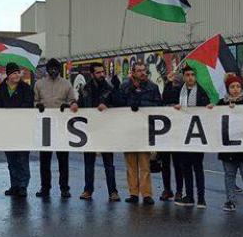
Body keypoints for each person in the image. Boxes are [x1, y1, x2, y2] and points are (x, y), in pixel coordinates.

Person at [116, 61, 161, 205]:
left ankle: (146, 194)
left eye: (144, 70)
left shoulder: (152, 87)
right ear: (133, 72)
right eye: (139, 70)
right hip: (129, 130)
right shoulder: (125, 87)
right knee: (131, 165)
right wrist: (131, 91)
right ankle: (133, 193)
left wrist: (141, 106)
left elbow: (158, 105)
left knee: (145, 165)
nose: (142, 73)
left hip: (144, 130)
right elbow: (119, 103)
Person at [34, 58, 79, 199]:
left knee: (63, 159)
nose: (53, 71)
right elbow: (34, 100)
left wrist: (68, 105)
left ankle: (64, 188)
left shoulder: (66, 83)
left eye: (56, 68)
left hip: (61, 125)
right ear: (47, 70)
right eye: (51, 68)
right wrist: (37, 105)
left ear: (59, 69)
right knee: (44, 160)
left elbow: (73, 100)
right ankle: (45, 187)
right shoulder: (39, 84)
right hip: (45, 125)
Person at [216, 75, 243, 215]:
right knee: (229, 175)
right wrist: (211, 108)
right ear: (228, 88)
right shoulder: (221, 103)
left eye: (238, 86)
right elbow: (212, 117)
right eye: (232, 87)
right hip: (228, 147)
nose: (235, 89)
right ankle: (230, 200)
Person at [172, 65, 212, 208]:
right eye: (187, 75)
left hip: (197, 135)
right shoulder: (178, 91)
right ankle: (189, 196)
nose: (190, 77)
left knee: (198, 167)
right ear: (183, 77)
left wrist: (209, 107)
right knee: (186, 167)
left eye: (192, 75)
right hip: (183, 134)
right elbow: (166, 101)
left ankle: (201, 198)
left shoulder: (202, 92)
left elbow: (208, 109)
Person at [79, 62, 118, 201]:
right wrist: (73, 104)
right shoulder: (84, 89)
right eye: (98, 72)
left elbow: (118, 104)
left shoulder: (110, 88)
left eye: (103, 72)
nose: (101, 75)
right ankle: (87, 190)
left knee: (109, 164)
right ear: (92, 74)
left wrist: (107, 105)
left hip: (105, 129)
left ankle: (113, 191)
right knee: (89, 163)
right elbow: (80, 104)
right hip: (89, 130)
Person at [0, 63, 34, 197]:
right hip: (7, 129)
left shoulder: (26, 88)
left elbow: (28, 104)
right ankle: (14, 185)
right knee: (11, 159)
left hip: (22, 128)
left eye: (18, 72)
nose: (17, 75)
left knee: (23, 158)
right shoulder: (1, 88)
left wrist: (14, 112)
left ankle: (23, 185)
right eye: (14, 73)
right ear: (8, 75)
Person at [159, 70, 185, 202]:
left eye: (176, 82)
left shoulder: (182, 91)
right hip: (165, 131)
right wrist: (168, 83)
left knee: (177, 163)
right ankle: (167, 189)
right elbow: (165, 99)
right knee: (165, 163)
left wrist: (170, 84)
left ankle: (179, 190)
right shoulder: (168, 88)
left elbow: (174, 97)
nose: (173, 83)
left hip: (177, 132)